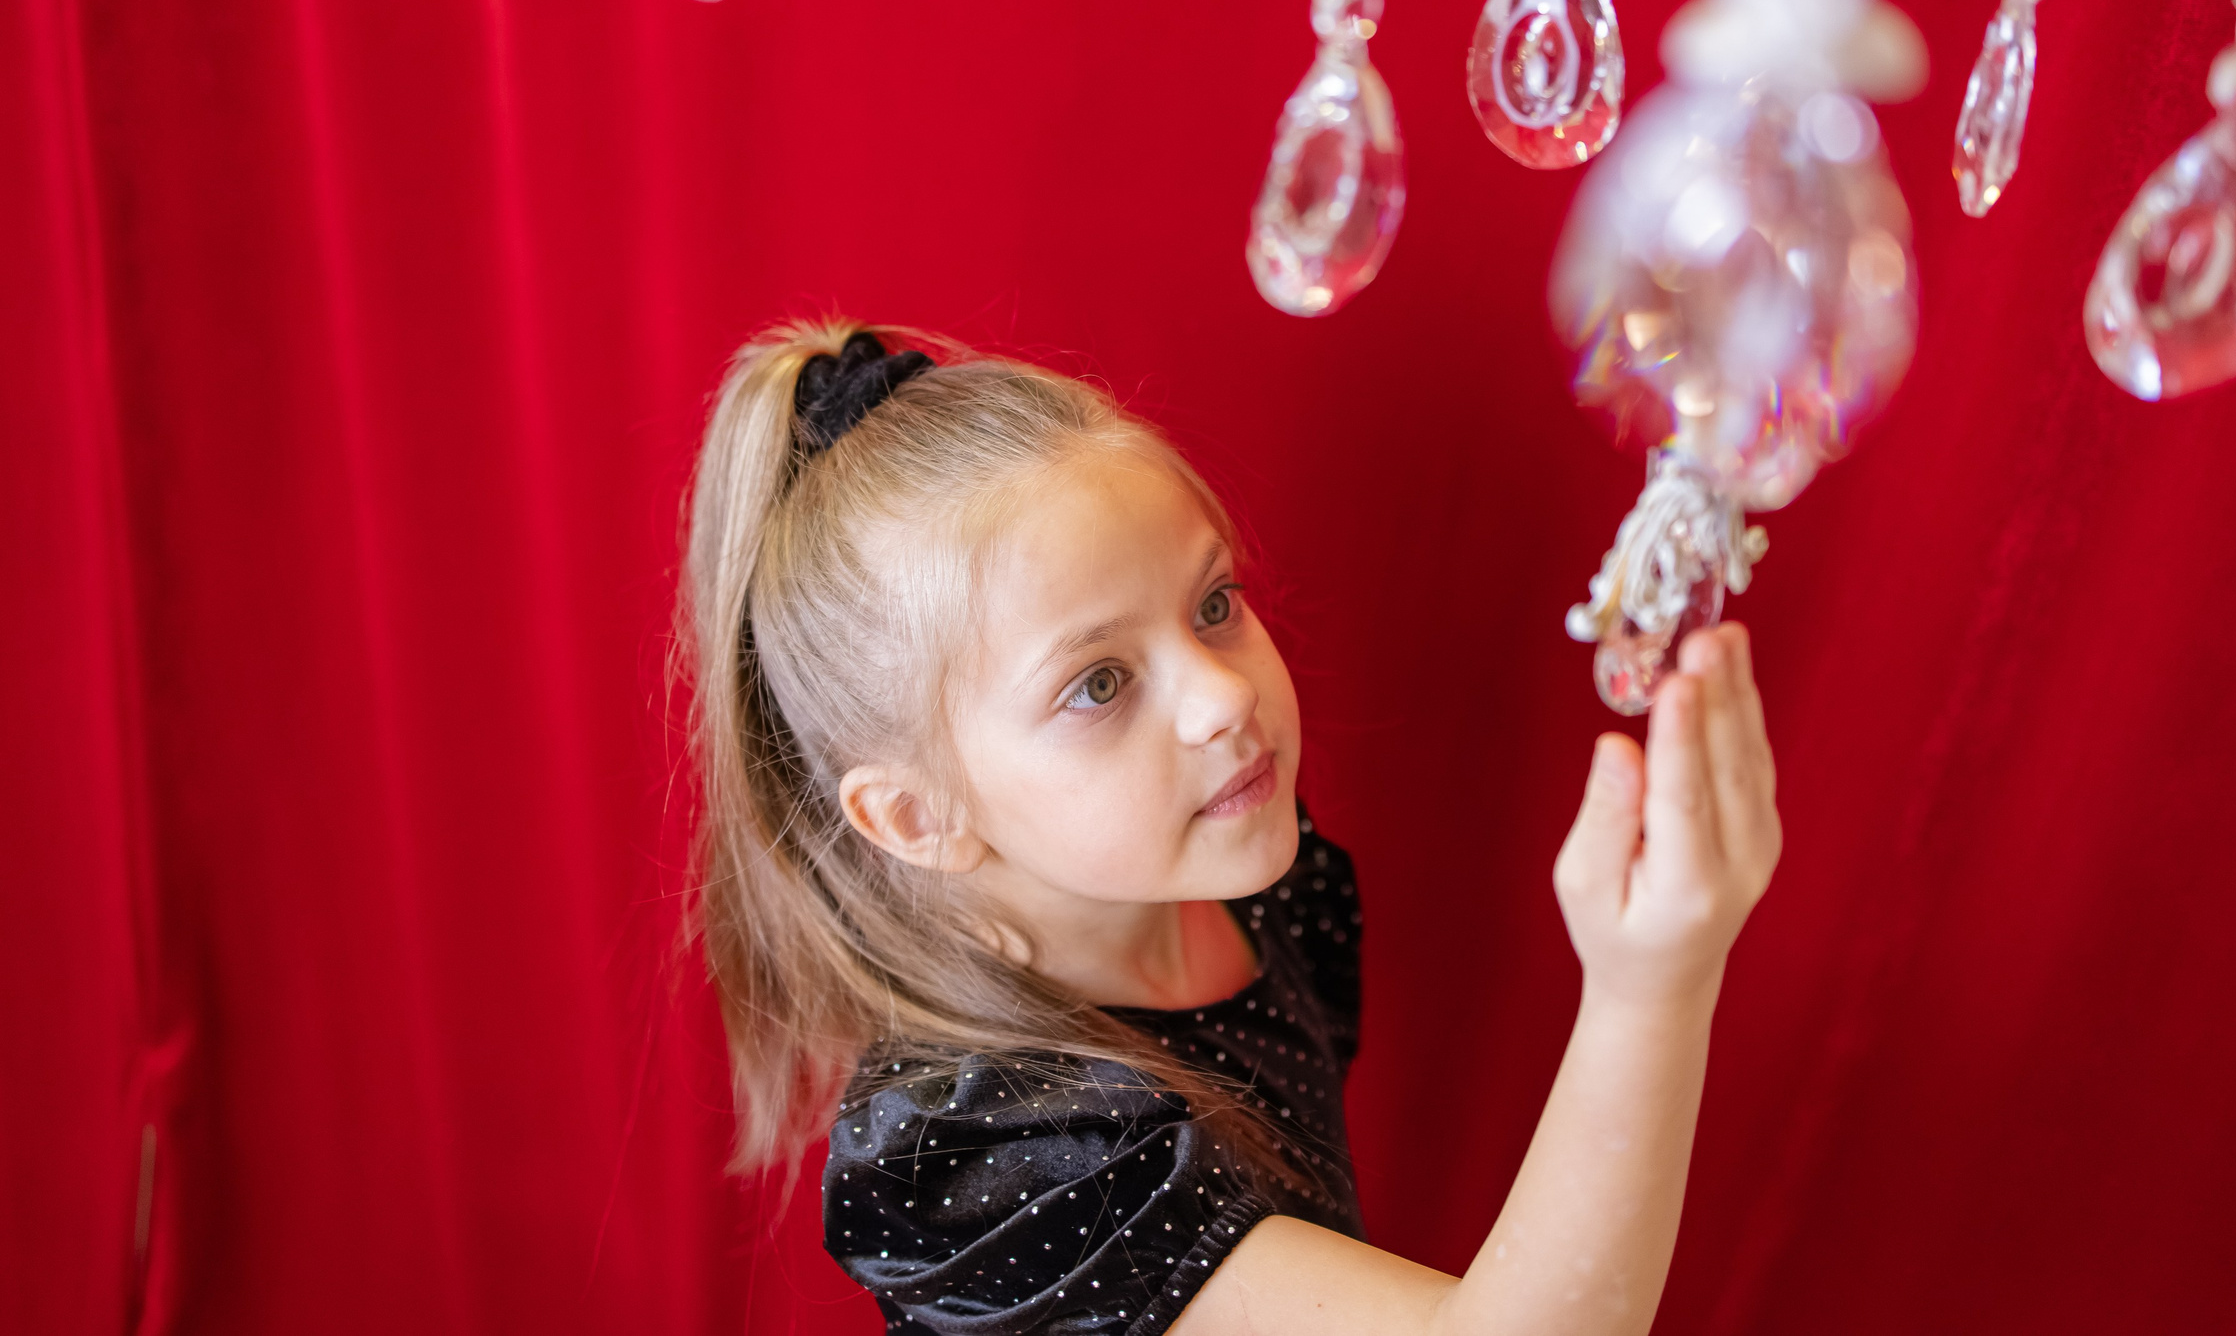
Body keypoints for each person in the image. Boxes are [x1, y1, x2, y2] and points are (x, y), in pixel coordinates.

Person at [680, 318, 1782, 1336]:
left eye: (1212, 605)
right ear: (918, 815)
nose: (1222, 698)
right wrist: (1653, 988)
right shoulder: (980, 1148)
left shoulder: (1248, 885)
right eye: (1099, 683)